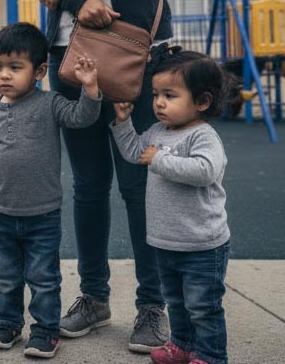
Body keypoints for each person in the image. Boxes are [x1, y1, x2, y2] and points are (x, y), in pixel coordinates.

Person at [30, 0, 183, 352]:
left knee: (140, 186)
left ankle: (152, 306)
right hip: (71, 64)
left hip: (135, 65)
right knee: (90, 188)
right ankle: (93, 297)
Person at [0, 22, 102, 359]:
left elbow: (81, 118)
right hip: (0, 213)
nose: (4, 75)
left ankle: (44, 330)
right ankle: (9, 323)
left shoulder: (51, 104)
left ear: (40, 70)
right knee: (5, 275)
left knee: (43, 278)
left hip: (42, 214)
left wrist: (90, 90)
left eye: (15, 68)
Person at [110, 50, 231, 364]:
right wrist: (122, 124)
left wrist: (160, 160)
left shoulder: (203, 136)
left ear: (201, 101)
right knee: (176, 302)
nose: (159, 102)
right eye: (156, 94)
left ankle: (211, 355)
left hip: (202, 244)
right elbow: (136, 152)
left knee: (203, 307)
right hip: (167, 241)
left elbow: (205, 171)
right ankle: (182, 345)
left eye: (170, 95)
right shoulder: (157, 132)